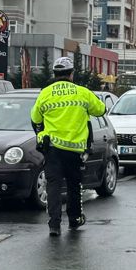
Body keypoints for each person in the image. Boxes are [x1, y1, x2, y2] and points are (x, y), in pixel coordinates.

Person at [30, 55, 107, 237]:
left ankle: (54, 225)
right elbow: (101, 110)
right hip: (75, 151)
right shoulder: (82, 92)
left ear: (55, 74)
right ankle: (74, 219)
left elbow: (35, 119)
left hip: (53, 149)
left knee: (53, 186)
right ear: (71, 74)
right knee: (74, 185)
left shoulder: (45, 93)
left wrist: (43, 134)